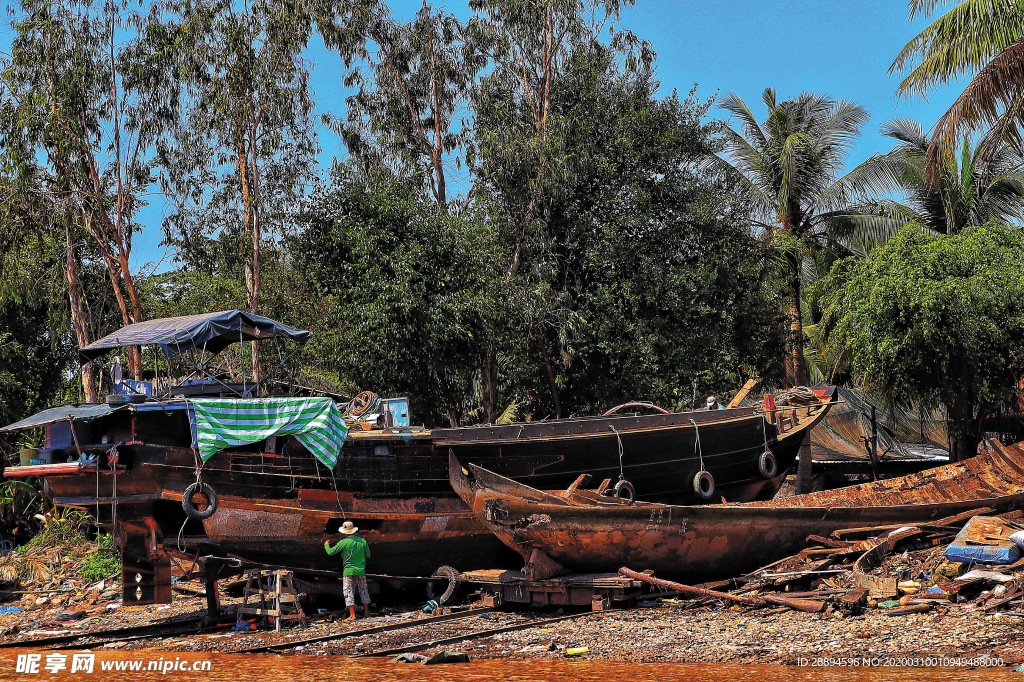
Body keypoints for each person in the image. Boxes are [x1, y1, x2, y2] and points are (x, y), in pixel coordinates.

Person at [325, 521, 372, 622]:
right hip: (360, 570)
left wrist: (326, 545)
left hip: (348, 571)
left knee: (349, 592)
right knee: (364, 591)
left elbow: (330, 552)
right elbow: (368, 555)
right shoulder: (362, 541)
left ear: (344, 532)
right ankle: (367, 613)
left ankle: (352, 615)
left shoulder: (343, 542)